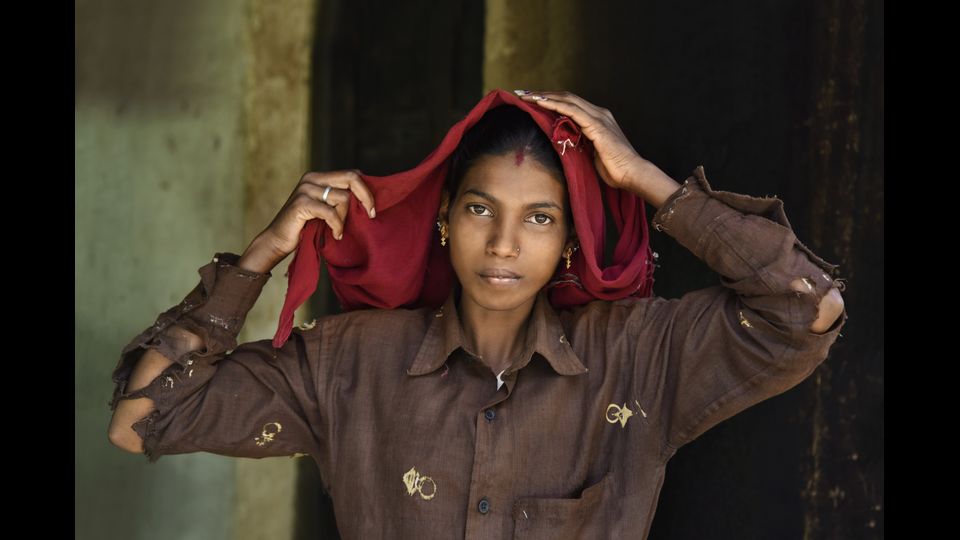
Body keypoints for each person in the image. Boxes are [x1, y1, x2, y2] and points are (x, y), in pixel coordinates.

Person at [108, 89, 847, 539]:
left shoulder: (638, 360)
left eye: (538, 219)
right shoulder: (348, 364)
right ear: (443, 223)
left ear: (568, 244)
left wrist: (648, 182)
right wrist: (262, 254)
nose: (501, 243)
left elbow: (805, 310)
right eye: (479, 209)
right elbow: (142, 421)